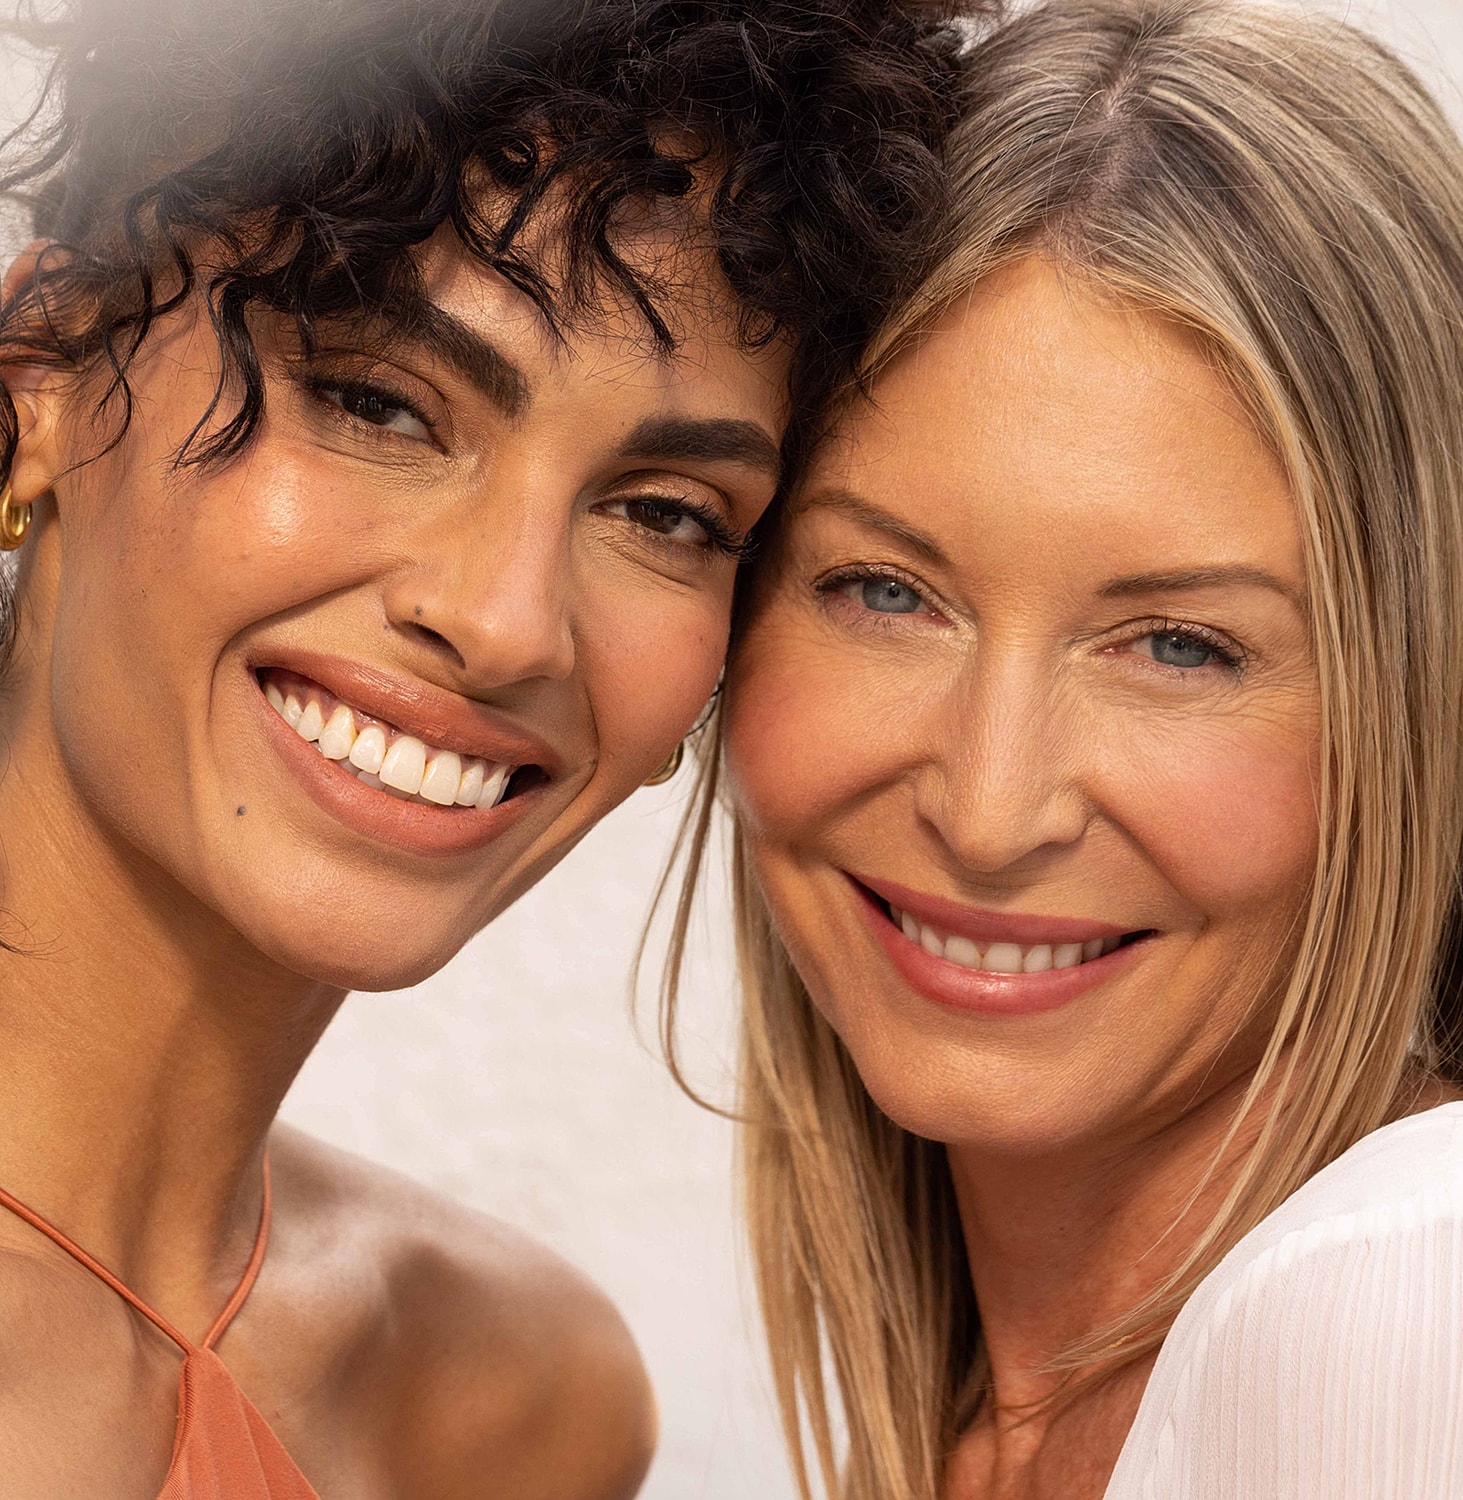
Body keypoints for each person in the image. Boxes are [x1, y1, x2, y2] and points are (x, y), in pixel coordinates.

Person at [0, 0, 985, 1494]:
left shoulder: (518, 1408)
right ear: (38, 377)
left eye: (666, 514)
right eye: (380, 403)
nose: (512, 622)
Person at [662, 0, 1463, 1495]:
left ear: (1415, 709)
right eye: (885, 592)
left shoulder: (1403, 1306)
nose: (988, 804)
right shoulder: (985, 1430)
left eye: (1180, 645)